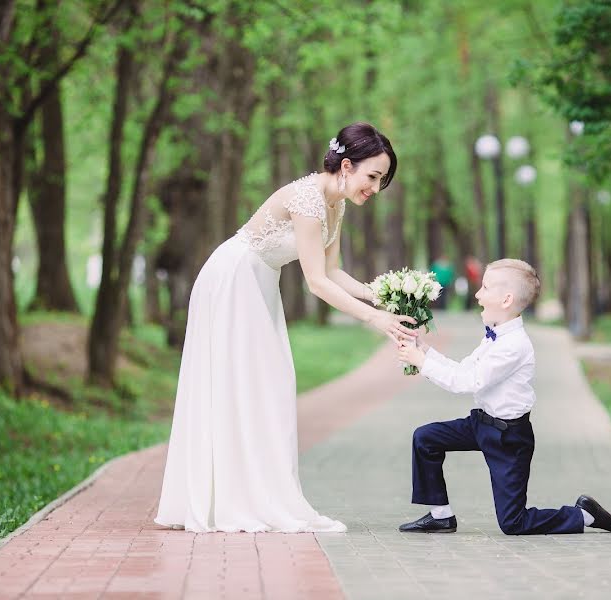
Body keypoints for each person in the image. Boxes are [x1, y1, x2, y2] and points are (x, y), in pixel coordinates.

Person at [155, 122, 418, 533]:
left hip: (260, 282)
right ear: (347, 166)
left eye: (382, 180)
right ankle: (230, 499)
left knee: (270, 385)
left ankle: (258, 490)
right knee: (248, 384)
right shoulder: (309, 199)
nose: (376, 187)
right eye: (373, 176)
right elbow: (316, 282)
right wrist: (374, 319)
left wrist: (381, 296)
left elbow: (333, 271)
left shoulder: (338, 203)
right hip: (234, 277)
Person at [395, 259, 611, 535]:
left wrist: (420, 360)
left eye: (485, 288)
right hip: (481, 424)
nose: (477, 294)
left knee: (513, 523)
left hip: (509, 438)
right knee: (425, 438)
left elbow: (467, 381)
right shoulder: (494, 337)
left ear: (506, 299)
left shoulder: (514, 346)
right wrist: (424, 351)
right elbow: (464, 368)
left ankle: (583, 515)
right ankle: (441, 515)